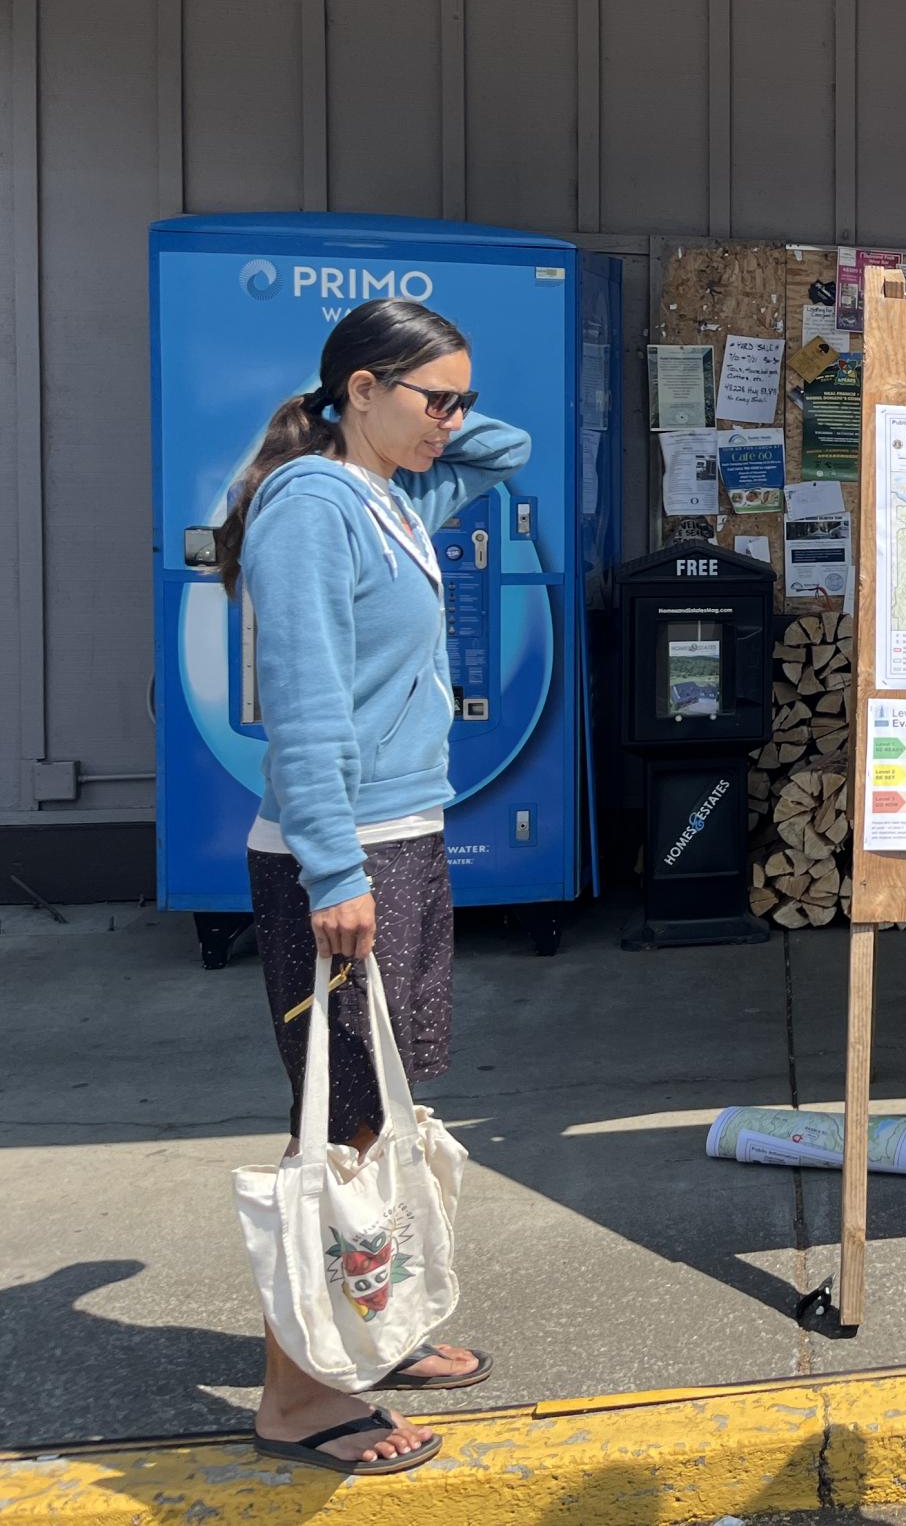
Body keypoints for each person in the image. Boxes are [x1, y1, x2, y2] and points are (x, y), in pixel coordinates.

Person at [217, 299, 531, 1476]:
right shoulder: (311, 506)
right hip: (341, 853)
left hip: (399, 835)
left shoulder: (386, 495)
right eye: (432, 396)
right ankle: (299, 1397)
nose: (458, 420)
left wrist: (426, 424)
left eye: (460, 396)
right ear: (357, 386)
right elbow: (298, 698)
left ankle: (370, 1329)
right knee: (337, 1121)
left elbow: (511, 449)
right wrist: (333, 867)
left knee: (378, 1108)